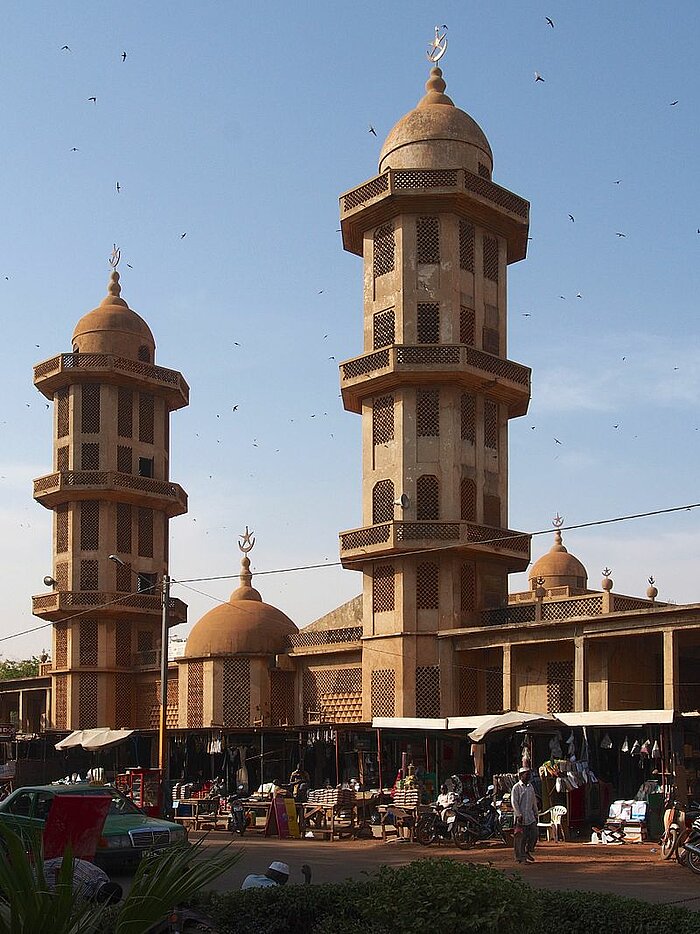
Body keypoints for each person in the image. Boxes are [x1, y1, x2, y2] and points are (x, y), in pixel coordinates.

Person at [43, 857, 122, 903]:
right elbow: (55, 895)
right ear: (101, 896)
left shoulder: (103, 876)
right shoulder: (80, 891)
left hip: (56, 862)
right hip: (43, 873)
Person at [511, 766, 538, 864]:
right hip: (520, 817)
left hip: (530, 816)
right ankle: (520, 857)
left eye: (529, 774)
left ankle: (527, 851)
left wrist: (536, 813)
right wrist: (518, 814)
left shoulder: (530, 787)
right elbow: (514, 802)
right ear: (521, 776)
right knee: (520, 838)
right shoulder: (516, 788)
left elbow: (533, 801)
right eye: (527, 774)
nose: (529, 776)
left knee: (534, 834)